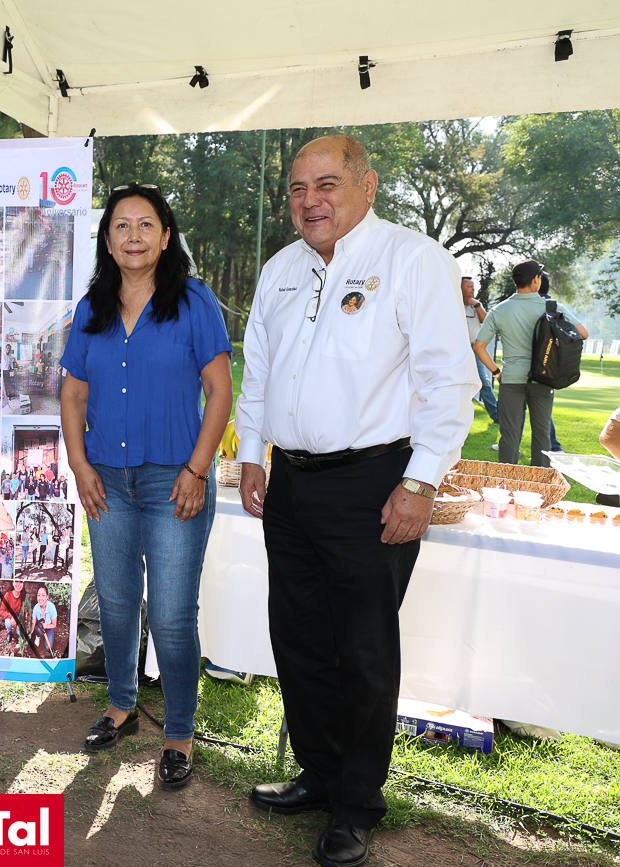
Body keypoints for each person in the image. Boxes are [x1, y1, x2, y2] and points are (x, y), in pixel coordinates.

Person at [235, 135, 477, 867]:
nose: (310, 200)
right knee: (298, 637)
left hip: (375, 483)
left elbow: (448, 380)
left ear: (367, 186)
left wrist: (421, 481)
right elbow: (259, 370)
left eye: (327, 184)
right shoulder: (280, 269)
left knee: (362, 648)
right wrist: (252, 453)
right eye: (298, 188)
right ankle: (318, 772)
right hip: (291, 482)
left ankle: (356, 805)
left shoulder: (413, 259)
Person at [59, 183, 233, 793]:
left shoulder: (194, 301)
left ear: (165, 236)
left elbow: (220, 391)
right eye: (121, 226)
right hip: (106, 479)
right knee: (114, 600)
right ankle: (121, 705)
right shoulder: (93, 307)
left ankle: (179, 733)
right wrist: (79, 465)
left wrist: (197, 470)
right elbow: (73, 394)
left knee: (171, 615)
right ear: (107, 241)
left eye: (145, 225)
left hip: (174, 482)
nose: (133, 236)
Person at [474, 260, 587, 467]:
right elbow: (583, 333)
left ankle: (506, 481)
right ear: (536, 279)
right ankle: (539, 482)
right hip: (543, 378)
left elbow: (479, 346)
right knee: (542, 435)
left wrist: (497, 372)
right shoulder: (553, 308)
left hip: (510, 379)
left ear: (515, 281)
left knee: (509, 435)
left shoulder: (498, 310)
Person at [462, 277, 499, 421]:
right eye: (469, 286)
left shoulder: (476, 305)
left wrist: (477, 305)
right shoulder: (454, 304)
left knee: (483, 381)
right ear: (461, 288)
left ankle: (496, 415)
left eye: (473, 286)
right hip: (459, 350)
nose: (473, 289)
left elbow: (486, 320)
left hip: (474, 349)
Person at [29, 586, 58, 656]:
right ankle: (38, 637)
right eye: (39, 595)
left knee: (48, 647)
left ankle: (48, 637)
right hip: (40, 627)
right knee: (38, 629)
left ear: (47, 597)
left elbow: (54, 624)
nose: (40, 598)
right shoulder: (36, 608)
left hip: (50, 627)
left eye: (43, 595)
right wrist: (29, 632)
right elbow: (33, 623)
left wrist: (47, 626)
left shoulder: (51, 607)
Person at [0, 578, 26, 654]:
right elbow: (2, 611)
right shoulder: (8, 595)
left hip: (19, 617)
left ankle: (18, 637)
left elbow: (25, 611)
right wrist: (11, 617)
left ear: (23, 584)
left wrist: (19, 621)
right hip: (10, 617)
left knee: (21, 631)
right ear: (13, 583)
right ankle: (9, 632)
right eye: (16, 581)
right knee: (8, 622)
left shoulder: (24, 595)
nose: (18, 584)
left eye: (20, 582)